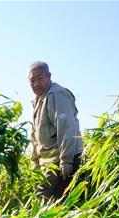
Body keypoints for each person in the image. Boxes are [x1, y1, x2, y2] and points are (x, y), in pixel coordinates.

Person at [28, 61, 83, 199]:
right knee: (48, 203)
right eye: (32, 81)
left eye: (39, 78)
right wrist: (35, 162)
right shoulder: (38, 100)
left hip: (60, 160)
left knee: (42, 200)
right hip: (49, 162)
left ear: (49, 76)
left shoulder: (57, 94)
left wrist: (66, 161)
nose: (35, 84)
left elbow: (66, 128)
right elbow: (35, 135)